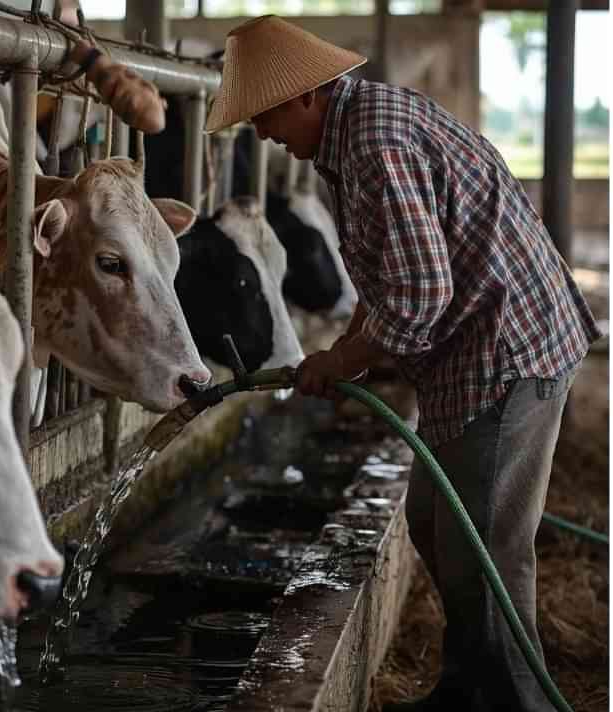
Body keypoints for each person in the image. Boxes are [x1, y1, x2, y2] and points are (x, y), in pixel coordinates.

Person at [205, 14, 600, 712]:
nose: (261, 133)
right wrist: (349, 352)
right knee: (431, 522)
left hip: (507, 349)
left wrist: (343, 359)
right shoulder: (353, 136)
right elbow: (390, 277)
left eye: (265, 114)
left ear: (306, 95)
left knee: (485, 548)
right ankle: (467, 689)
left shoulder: (374, 141)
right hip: (473, 349)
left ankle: (517, 703)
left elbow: (421, 293)